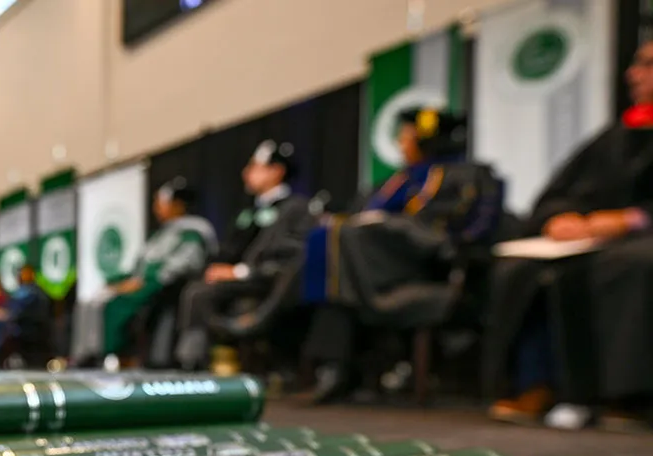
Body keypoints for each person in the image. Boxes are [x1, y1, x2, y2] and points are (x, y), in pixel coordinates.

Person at [483, 39, 653, 431]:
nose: (633, 74)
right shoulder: (613, 138)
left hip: (638, 239)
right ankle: (538, 383)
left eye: (646, 64)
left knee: (629, 265)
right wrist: (561, 218)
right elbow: (557, 193)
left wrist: (633, 219)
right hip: (591, 240)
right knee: (523, 268)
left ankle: (626, 395)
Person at [301, 108, 501, 402]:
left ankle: (337, 368)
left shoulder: (466, 176)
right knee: (330, 235)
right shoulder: (396, 181)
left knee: (341, 241)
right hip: (371, 267)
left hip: (423, 267)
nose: (400, 143)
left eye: (406, 137)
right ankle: (336, 367)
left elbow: (457, 235)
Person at [171, 140, 311, 370]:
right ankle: (199, 362)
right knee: (195, 285)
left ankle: (193, 367)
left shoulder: (295, 208)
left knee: (199, 294)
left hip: (268, 280)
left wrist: (239, 272)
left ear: (276, 171)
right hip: (239, 279)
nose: (246, 173)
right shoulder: (248, 212)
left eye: (255, 166)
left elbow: (289, 254)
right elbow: (229, 250)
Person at [70, 178, 215, 366]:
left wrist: (144, 281)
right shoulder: (162, 233)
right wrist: (120, 281)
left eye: (161, 202)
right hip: (143, 284)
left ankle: (115, 357)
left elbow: (180, 266)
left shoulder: (193, 232)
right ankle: (86, 355)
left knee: (113, 306)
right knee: (90, 303)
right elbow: (139, 267)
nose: (156, 208)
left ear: (177, 205)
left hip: (162, 288)